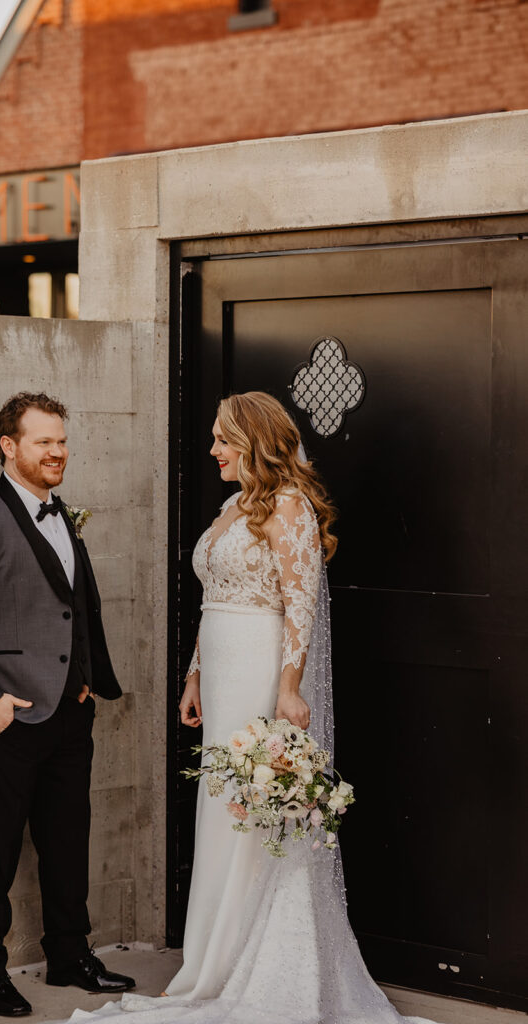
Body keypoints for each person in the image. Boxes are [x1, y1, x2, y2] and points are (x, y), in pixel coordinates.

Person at [66, 392, 437, 1024]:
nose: (212, 450)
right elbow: (213, 602)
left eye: (222, 440)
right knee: (221, 812)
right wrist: (194, 677)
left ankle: (251, 966)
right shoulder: (235, 503)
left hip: (264, 674)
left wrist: (289, 688)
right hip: (223, 670)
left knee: (257, 813)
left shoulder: (287, 507)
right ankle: (212, 962)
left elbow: (301, 606)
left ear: (256, 442)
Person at [0, 392, 135, 1018]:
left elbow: (73, 607)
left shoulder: (62, 513)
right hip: (9, 716)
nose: (57, 452)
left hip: (71, 711)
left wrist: (89, 683)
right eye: (43, 441)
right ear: (8, 446)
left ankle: (70, 956)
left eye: (62, 440)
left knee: (68, 840)